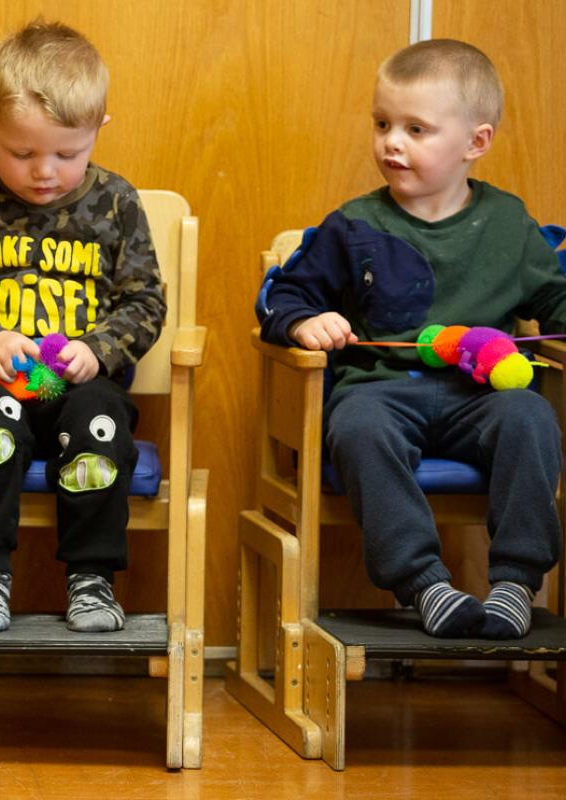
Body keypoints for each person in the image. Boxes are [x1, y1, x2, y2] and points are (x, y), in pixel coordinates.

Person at [257, 39, 565, 640]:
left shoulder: (509, 224)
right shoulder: (354, 225)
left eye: (416, 129)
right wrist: (302, 322)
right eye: (382, 124)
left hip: (479, 395)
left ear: (476, 142)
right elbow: (282, 296)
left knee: (531, 416)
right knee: (356, 427)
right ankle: (425, 585)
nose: (391, 142)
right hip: (380, 392)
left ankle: (514, 585)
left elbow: (552, 301)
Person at [0, 20, 165, 634]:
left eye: (68, 153)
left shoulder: (117, 203)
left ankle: (92, 581)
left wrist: (95, 349)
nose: (45, 172)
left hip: (78, 384)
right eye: (22, 153)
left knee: (100, 427)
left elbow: (144, 303)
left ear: (98, 130)